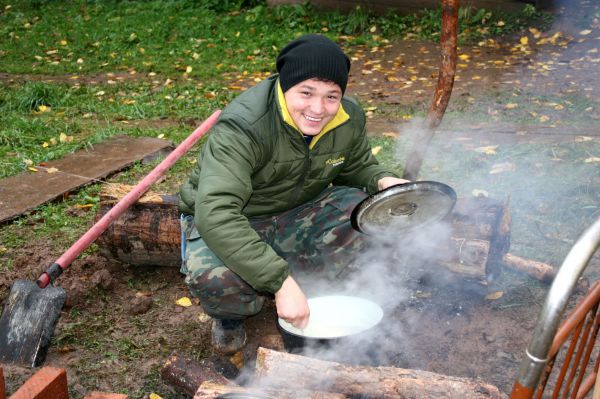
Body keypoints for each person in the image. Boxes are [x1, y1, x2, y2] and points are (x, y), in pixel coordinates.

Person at [178, 34, 407, 354]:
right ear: (285, 86)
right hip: (238, 217)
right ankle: (230, 317)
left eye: (332, 96)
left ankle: (322, 288)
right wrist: (280, 282)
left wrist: (381, 179)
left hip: (300, 208)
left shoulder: (348, 117)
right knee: (215, 280)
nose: (318, 108)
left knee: (367, 217)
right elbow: (216, 212)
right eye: (306, 92)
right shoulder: (244, 126)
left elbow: (354, 166)